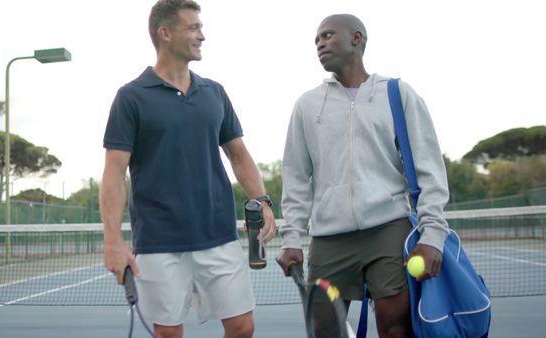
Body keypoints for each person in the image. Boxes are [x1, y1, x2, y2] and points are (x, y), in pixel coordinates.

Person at [100, 1, 277, 337]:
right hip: (158, 239)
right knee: (169, 334)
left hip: (218, 233)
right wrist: (113, 240)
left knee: (243, 327)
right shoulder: (131, 97)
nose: (202, 35)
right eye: (194, 27)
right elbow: (113, 173)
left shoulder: (215, 92)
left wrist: (263, 200)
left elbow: (238, 154)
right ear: (165, 33)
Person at [275, 14, 450, 338]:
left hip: (388, 230)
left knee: (395, 327)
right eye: (316, 40)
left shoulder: (398, 94)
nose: (320, 44)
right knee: (324, 329)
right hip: (329, 238)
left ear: (357, 38)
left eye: (327, 35)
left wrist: (433, 237)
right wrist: (292, 239)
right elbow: (296, 178)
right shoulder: (306, 105)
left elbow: (430, 170)